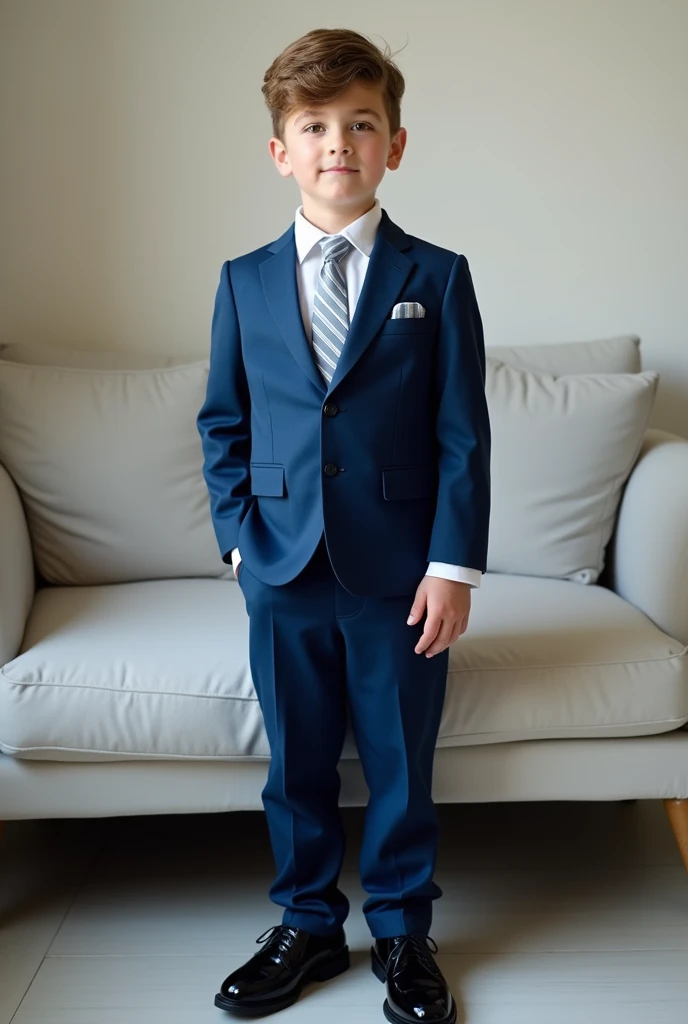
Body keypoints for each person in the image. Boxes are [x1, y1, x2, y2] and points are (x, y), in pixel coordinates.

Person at [196, 26, 491, 1023]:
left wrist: (451, 564)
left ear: (393, 145)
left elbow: (461, 435)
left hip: (401, 567)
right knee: (299, 758)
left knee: (402, 758)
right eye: (314, 126)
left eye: (360, 124)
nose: (338, 143)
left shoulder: (435, 277)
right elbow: (223, 422)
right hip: (280, 564)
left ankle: (404, 931)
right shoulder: (242, 280)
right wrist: (240, 538)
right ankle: (307, 920)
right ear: (281, 150)